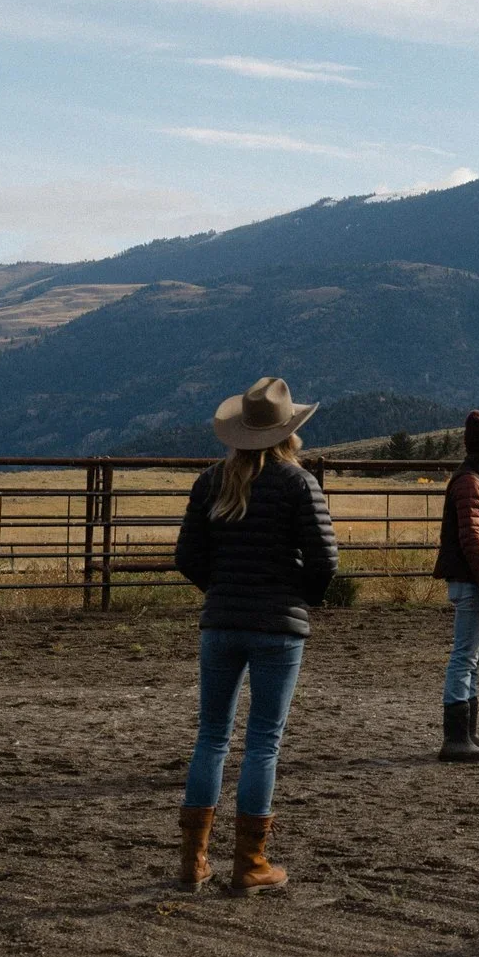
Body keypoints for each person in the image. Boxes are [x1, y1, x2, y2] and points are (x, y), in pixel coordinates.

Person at [171, 376, 337, 894]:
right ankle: (250, 862)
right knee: (263, 742)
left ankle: (194, 860)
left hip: (220, 623)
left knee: (211, 737)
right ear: (288, 431)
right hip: (277, 627)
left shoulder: (209, 482)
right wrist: (298, 596)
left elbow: (187, 557)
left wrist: (220, 589)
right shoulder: (297, 483)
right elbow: (325, 561)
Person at [433, 410, 479, 765]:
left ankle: (467, 733)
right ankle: (456, 738)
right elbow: (471, 536)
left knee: (472, 660)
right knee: (464, 659)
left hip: (475, 582)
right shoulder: (470, 483)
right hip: (472, 583)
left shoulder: (476, 480)